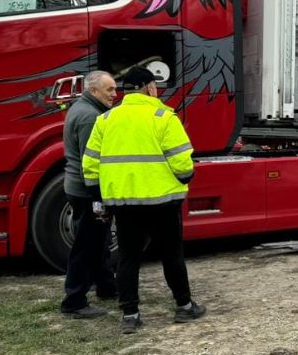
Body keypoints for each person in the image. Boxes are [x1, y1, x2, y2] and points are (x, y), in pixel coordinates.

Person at [83, 66, 206, 334]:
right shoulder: (163, 116)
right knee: (171, 254)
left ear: (126, 90)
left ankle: (130, 314)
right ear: (150, 88)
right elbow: (182, 162)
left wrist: (98, 198)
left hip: (123, 202)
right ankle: (184, 307)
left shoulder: (105, 120)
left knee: (128, 257)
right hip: (162, 201)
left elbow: (90, 165)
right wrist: (184, 177)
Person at [59, 70, 117, 318]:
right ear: (94, 91)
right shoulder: (90, 118)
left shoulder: (80, 107)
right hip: (86, 191)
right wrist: (99, 197)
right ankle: (74, 300)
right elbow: (90, 162)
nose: (115, 95)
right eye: (110, 90)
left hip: (78, 188)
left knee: (99, 241)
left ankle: (106, 286)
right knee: (86, 244)